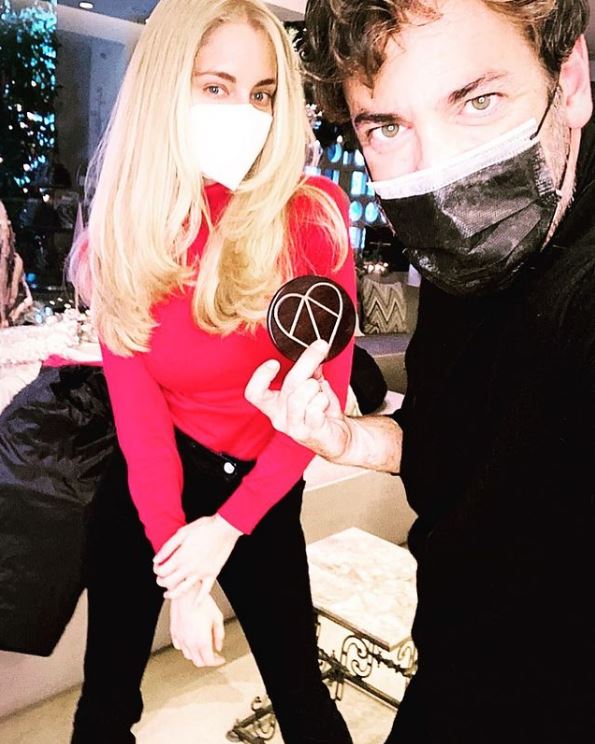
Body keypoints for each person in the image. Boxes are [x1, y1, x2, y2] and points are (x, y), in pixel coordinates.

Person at [245, 0, 595, 741]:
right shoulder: (473, 247)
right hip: (456, 665)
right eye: (386, 127)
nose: (437, 170)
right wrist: (356, 440)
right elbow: (469, 449)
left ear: (569, 81)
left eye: (478, 101)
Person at [68, 0, 356, 741]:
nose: (246, 114)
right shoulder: (127, 228)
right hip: (152, 481)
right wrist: (183, 575)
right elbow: (140, 421)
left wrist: (228, 528)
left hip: (263, 480)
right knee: (104, 705)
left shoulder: (312, 218)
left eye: (262, 93)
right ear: (168, 87)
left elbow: (318, 410)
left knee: (301, 695)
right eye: (215, 87)